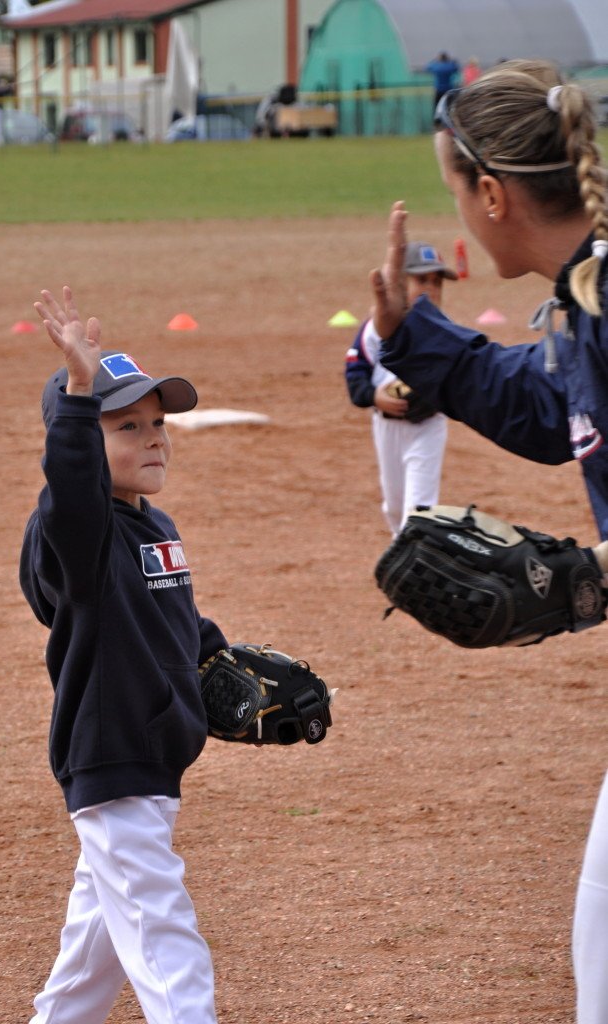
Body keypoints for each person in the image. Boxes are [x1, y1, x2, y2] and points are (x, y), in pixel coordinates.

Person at [370, 59, 608, 1023]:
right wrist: (421, 337)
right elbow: (556, 410)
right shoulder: (588, 300)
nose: (457, 215)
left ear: (496, 194)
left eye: (455, 189)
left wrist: (590, 572)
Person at [20, 285, 233, 1024]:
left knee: (94, 954)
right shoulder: (79, 537)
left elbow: (177, 620)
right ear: (82, 440)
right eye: (126, 427)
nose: (153, 437)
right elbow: (69, 491)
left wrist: (219, 662)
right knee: (163, 936)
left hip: (154, 755)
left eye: (156, 422)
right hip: (111, 757)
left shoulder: (154, 524)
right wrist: (79, 393)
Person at [344, 241, 457, 536]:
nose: (431, 289)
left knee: (417, 511)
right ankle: (403, 554)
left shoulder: (445, 332)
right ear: (398, 282)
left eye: (436, 282)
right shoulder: (373, 330)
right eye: (421, 280)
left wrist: (432, 396)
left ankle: (416, 571)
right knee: (393, 509)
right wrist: (375, 397)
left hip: (427, 428)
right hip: (386, 429)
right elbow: (355, 375)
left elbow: (456, 383)